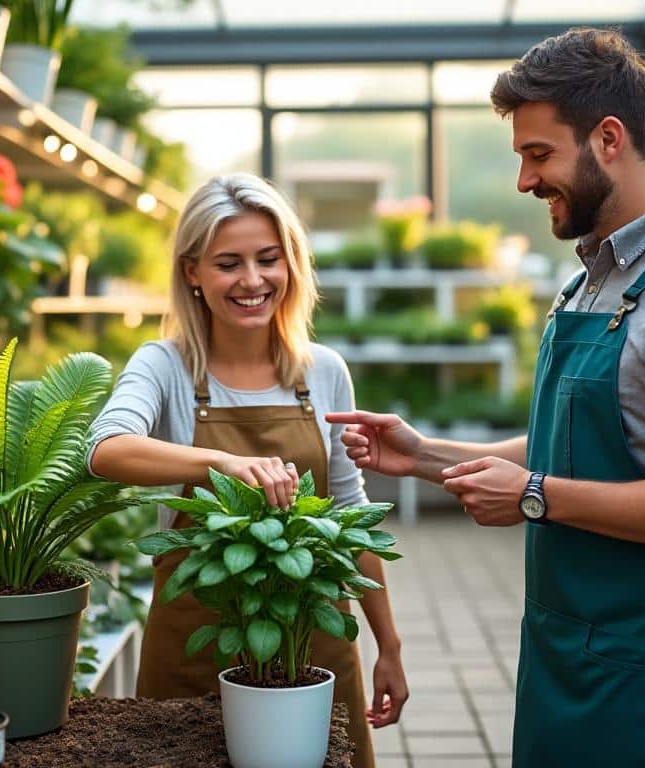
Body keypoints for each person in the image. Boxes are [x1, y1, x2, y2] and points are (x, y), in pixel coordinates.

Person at [328, 28, 645, 768]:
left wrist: (537, 496)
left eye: (537, 154)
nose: (523, 181)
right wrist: (425, 457)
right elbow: (567, 446)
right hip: (565, 643)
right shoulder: (587, 282)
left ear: (609, 138)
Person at [88, 173, 408, 768]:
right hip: (197, 644)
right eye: (228, 263)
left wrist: (388, 643)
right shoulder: (164, 367)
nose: (253, 280)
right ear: (193, 272)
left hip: (310, 643)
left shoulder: (323, 371)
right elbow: (106, 448)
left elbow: (350, 513)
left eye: (268, 259)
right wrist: (222, 461)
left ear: (291, 263)